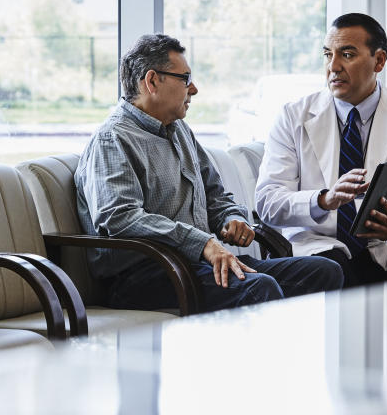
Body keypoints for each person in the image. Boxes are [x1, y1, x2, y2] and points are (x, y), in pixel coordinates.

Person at [76, 33, 343, 312]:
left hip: (197, 265)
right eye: (186, 79)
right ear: (152, 81)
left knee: (325, 272)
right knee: (260, 288)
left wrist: (231, 218)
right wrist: (201, 243)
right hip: (143, 277)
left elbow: (215, 195)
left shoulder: (179, 131)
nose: (194, 90)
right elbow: (119, 218)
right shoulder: (112, 139)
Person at [255, 13, 387, 288]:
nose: (333, 67)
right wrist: (323, 200)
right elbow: (267, 201)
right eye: (327, 55)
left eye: (347, 54)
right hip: (322, 249)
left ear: (379, 61)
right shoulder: (293, 117)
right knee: (333, 271)